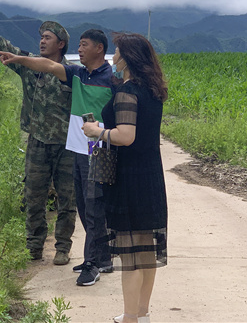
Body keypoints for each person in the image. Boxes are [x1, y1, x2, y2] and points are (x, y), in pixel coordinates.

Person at [0, 29, 114, 287]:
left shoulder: (112, 79)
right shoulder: (78, 74)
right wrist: (18, 59)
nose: (79, 49)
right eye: (79, 45)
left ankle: (93, 264)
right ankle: (102, 258)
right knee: (84, 205)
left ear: (99, 49)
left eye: (84, 45)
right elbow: (48, 65)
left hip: (100, 151)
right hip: (78, 149)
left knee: (94, 208)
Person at [0, 14, 76, 266]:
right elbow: (5, 48)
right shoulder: (28, 65)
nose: (42, 41)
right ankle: (33, 246)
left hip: (67, 145)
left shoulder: (72, 72)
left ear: (61, 44)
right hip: (37, 142)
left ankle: (63, 247)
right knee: (33, 195)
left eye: (48, 38)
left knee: (68, 198)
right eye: (41, 37)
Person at [82, 33, 168, 323]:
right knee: (146, 252)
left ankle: (130, 317)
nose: (113, 58)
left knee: (131, 256)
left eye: (116, 52)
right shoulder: (153, 90)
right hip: (151, 176)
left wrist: (98, 132)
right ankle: (142, 313)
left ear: (128, 58)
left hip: (129, 178)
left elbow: (126, 135)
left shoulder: (127, 91)